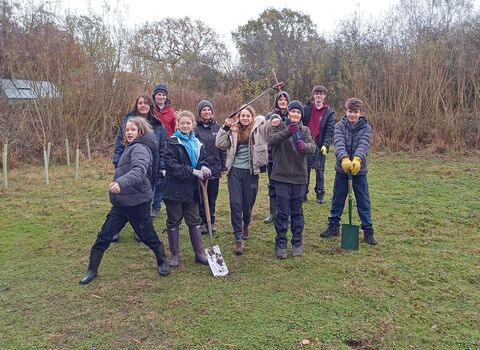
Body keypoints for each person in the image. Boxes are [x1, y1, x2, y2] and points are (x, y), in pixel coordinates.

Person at [80, 117, 170, 285]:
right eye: (127, 129)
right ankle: (91, 270)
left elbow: (139, 171)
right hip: (121, 205)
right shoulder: (130, 147)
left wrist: (120, 183)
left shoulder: (140, 149)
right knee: (104, 236)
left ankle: (162, 260)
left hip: (137, 204)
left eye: (133, 129)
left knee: (147, 236)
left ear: (141, 132)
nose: (129, 132)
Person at [320, 98, 378, 245]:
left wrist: (357, 159)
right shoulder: (340, 126)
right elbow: (339, 143)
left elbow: (364, 144)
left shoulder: (366, 127)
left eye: (355, 112)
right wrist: (344, 159)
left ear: (360, 113)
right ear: (346, 111)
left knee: (363, 200)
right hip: (342, 169)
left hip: (360, 171)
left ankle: (368, 230)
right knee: (337, 198)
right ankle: (333, 226)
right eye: (350, 111)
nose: (352, 115)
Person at [111, 95, 168, 243]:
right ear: (136, 105)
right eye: (140, 103)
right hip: (126, 165)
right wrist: (117, 161)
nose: (143, 105)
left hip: (150, 166)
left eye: (145, 103)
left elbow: (162, 148)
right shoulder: (127, 122)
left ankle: (140, 229)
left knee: (144, 198)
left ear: (150, 105)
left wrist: (162, 166)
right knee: (122, 196)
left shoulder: (158, 125)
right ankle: (115, 229)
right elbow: (118, 143)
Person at [215, 105, 269, 255]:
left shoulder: (258, 130)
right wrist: (225, 127)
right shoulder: (233, 130)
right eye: (242, 116)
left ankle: (247, 224)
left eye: (248, 116)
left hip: (251, 173)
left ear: (252, 117)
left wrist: (259, 120)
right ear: (239, 117)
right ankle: (238, 237)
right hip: (235, 172)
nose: (245, 118)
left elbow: (263, 120)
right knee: (235, 204)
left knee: (247, 205)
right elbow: (219, 143)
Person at [163, 110, 211, 267]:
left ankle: (199, 253)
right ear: (177, 124)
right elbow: (171, 165)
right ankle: (175, 256)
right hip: (174, 189)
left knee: (194, 220)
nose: (185, 125)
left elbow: (203, 159)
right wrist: (191, 171)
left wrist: (203, 167)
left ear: (193, 125)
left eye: (188, 123)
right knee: (174, 220)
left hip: (192, 189)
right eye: (182, 123)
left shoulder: (198, 143)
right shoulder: (172, 142)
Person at [268, 101, 316, 259]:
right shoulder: (278, 125)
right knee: (282, 213)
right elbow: (272, 140)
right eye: (293, 111)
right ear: (288, 113)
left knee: (297, 212)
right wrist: (288, 131)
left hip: (300, 178)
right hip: (281, 177)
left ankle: (297, 241)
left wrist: (305, 147)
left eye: (298, 112)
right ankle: (281, 242)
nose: (295, 114)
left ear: (301, 115)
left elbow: (312, 147)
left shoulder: (305, 130)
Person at [194, 100, 227, 234]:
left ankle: (211, 221)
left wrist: (223, 165)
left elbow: (222, 148)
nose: (207, 112)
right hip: (201, 166)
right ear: (200, 113)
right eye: (204, 110)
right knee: (202, 196)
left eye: (209, 110)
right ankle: (202, 221)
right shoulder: (195, 128)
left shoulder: (218, 128)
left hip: (215, 167)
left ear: (212, 112)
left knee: (212, 196)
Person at [302, 85, 335, 204]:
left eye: (321, 93)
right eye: (316, 93)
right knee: (305, 170)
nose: (318, 95)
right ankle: (303, 194)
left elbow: (330, 130)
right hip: (307, 143)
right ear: (313, 95)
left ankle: (320, 194)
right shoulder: (306, 108)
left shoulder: (329, 112)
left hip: (320, 144)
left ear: (324, 95)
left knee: (320, 171)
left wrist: (326, 145)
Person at [263, 91, 290, 224]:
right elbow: (266, 135)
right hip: (273, 157)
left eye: (285, 99)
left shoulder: (293, 115)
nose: (283, 101)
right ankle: (272, 213)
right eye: (280, 99)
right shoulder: (269, 116)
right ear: (277, 101)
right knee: (272, 185)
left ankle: (286, 213)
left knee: (287, 186)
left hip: (288, 157)